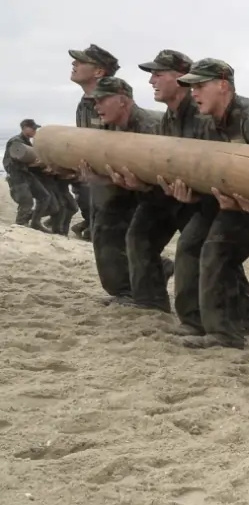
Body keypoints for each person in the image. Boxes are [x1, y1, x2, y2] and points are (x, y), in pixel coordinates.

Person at [166, 58, 249, 351]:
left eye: (200, 86)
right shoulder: (206, 122)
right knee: (213, 253)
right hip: (236, 206)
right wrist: (195, 194)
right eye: (192, 87)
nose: (194, 93)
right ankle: (225, 333)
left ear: (223, 85)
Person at [112, 49, 207, 313]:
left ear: (180, 78)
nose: (151, 81)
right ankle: (150, 303)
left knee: (205, 256)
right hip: (169, 196)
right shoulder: (169, 118)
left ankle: (248, 321)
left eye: (158, 74)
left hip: (201, 201)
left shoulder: (201, 116)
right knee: (139, 236)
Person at [75, 77, 163, 305]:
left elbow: (167, 171)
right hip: (129, 190)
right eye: (95, 101)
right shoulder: (109, 126)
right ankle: (127, 291)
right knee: (105, 233)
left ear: (123, 101)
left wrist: (141, 186)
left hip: (162, 195)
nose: (97, 107)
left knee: (139, 239)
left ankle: (149, 299)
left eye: (103, 100)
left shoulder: (151, 127)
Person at [69, 43, 120, 240]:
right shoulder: (84, 103)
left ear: (99, 71)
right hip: (92, 181)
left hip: (113, 185)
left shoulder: (115, 103)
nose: (74, 63)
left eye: (81, 61)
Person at [3, 119, 54, 230]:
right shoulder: (15, 142)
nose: (35, 131)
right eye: (33, 128)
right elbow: (9, 163)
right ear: (25, 127)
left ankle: (35, 222)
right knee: (26, 202)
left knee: (45, 197)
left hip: (28, 176)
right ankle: (20, 225)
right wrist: (30, 166)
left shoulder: (27, 143)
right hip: (18, 177)